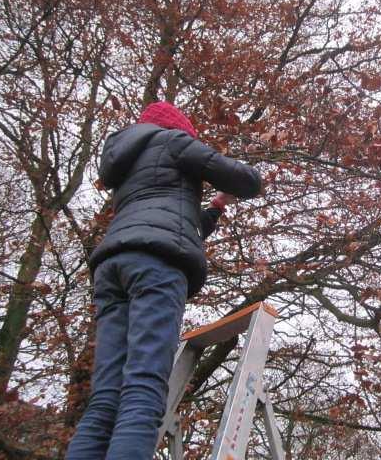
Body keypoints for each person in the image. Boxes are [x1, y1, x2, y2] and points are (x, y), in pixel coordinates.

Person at [66, 101, 261, 459]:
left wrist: (215, 206)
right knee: (143, 388)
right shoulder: (174, 142)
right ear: (178, 128)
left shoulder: (126, 162)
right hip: (156, 267)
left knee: (105, 398)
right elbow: (247, 180)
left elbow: (172, 224)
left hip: (113, 266)